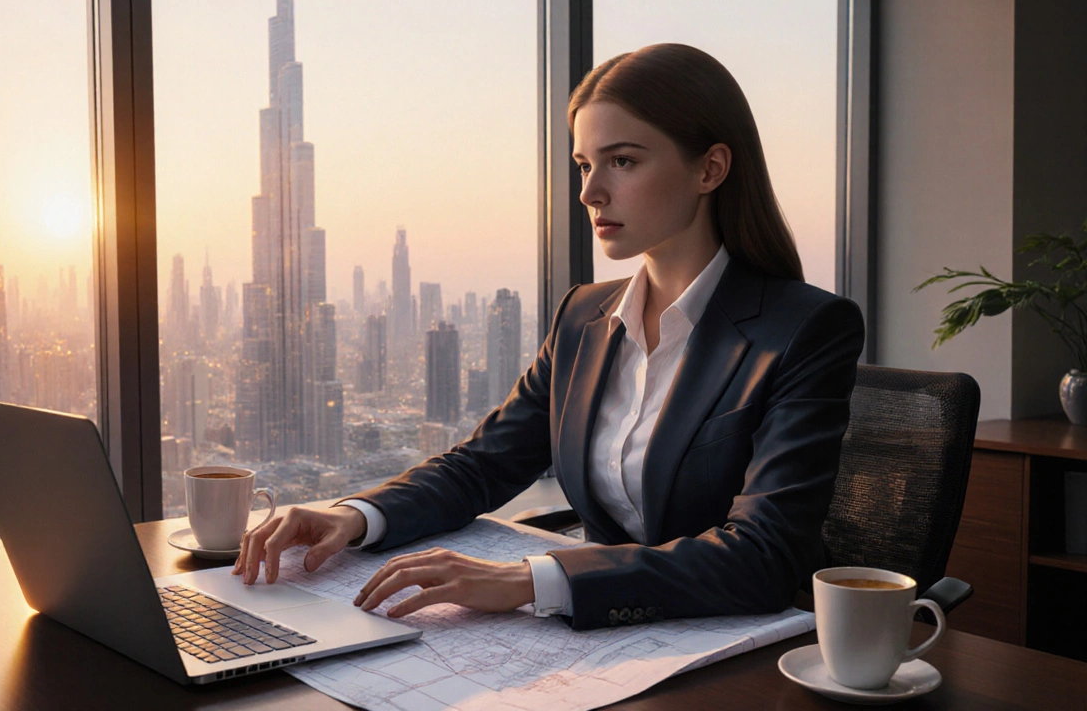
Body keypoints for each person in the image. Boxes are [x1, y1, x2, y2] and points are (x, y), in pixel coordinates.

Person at [234, 43, 865, 631]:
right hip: (603, 645)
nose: (591, 192)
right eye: (585, 164)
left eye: (623, 161)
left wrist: (528, 580)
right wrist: (356, 515)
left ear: (711, 168)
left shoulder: (804, 330)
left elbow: (764, 555)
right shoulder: (584, 318)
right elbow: (484, 465)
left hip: (733, 648)